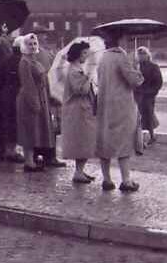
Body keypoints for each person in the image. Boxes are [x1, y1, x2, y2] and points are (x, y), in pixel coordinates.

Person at [96, 31, 144, 192]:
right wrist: (137, 68)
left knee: (105, 141)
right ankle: (126, 181)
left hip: (104, 104)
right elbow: (135, 81)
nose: (128, 41)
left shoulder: (103, 58)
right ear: (119, 40)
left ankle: (107, 180)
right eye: (126, 38)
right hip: (121, 106)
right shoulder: (121, 57)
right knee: (124, 142)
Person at [15, 34, 55, 172]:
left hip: (40, 96)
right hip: (29, 99)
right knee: (29, 129)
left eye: (34, 43)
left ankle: (32, 159)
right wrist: (34, 102)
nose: (33, 46)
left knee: (36, 130)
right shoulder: (25, 62)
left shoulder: (35, 61)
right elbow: (28, 84)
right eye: (30, 44)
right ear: (24, 46)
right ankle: (28, 161)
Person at [60, 40, 98, 184]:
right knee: (82, 141)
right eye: (84, 53)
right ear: (77, 54)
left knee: (84, 141)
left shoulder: (76, 69)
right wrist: (88, 77)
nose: (86, 56)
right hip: (78, 111)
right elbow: (81, 90)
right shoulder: (75, 71)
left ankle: (80, 170)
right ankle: (78, 172)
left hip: (81, 110)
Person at [0, 25, 22, 164]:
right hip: (2, 87)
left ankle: (1, 150)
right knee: (5, 120)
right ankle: (5, 150)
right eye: (1, 34)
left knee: (1, 120)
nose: (2, 37)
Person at [33, 31, 66, 168]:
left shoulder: (45, 52)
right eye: (41, 35)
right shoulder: (38, 53)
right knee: (47, 126)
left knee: (46, 126)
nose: (44, 37)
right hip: (45, 92)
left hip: (46, 92)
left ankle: (42, 154)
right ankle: (48, 156)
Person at [134, 46, 163, 145]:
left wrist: (152, 92)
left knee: (148, 114)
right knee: (137, 115)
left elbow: (158, 82)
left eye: (143, 54)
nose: (141, 56)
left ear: (147, 55)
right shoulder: (136, 67)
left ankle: (151, 136)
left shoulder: (154, 67)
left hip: (148, 95)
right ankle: (140, 137)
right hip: (137, 93)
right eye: (139, 54)